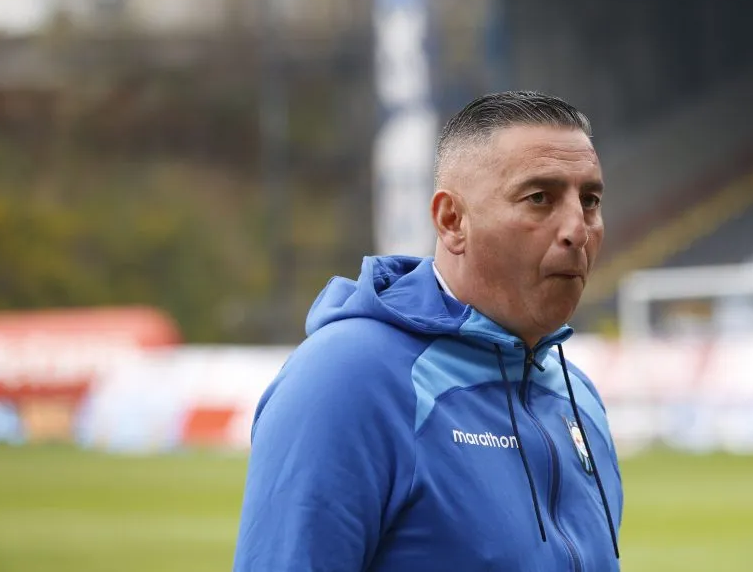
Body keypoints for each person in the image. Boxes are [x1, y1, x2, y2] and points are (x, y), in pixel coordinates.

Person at [232, 91, 623, 571]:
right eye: (539, 198)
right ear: (452, 221)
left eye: (590, 201)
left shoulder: (577, 396)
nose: (577, 230)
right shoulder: (347, 380)